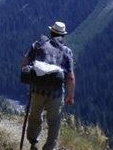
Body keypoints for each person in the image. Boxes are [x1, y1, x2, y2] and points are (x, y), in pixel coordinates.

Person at [21, 21, 75, 150]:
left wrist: (30, 77)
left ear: (51, 32)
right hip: (56, 93)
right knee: (54, 121)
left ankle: (33, 142)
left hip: (37, 90)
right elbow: (70, 77)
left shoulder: (38, 45)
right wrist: (70, 96)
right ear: (63, 36)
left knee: (35, 116)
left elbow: (24, 62)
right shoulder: (67, 51)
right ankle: (49, 147)